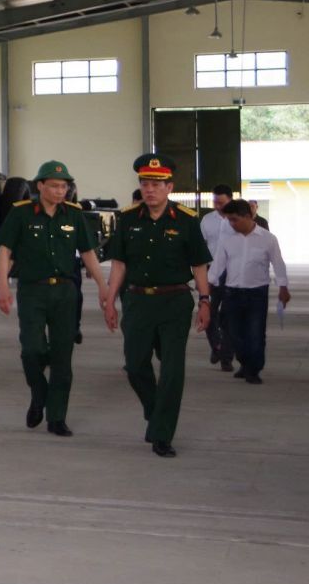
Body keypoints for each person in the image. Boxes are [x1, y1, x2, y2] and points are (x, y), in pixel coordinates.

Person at [100, 154, 213, 458]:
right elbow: (119, 264)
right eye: (145, 184)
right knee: (135, 365)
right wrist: (110, 301)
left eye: (156, 184)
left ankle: (162, 434)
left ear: (169, 187)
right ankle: (155, 411)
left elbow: (199, 265)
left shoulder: (187, 220)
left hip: (174, 302)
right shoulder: (127, 219)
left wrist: (205, 301)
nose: (150, 190)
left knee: (172, 370)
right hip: (137, 301)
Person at [0, 161, 109, 437]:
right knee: (31, 350)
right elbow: (5, 251)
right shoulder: (21, 213)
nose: (60, 191)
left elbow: (88, 253)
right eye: (55, 186)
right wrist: (3, 286)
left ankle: (57, 417)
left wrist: (103, 287)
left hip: (65, 292)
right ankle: (39, 393)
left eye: (64, 186)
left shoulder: (74, 215)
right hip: (32, 291)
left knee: (62, 357)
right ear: (40, 186)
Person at [209, 199, 290, 384]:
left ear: (247, 216)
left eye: (234, 219)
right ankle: (245, 363)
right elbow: (218, 265)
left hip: (257, 294)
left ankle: (253, 370)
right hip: (232, 294)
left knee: (255, 334)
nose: (231, 224)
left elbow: (278, 264)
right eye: (229, 220)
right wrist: (207, 285)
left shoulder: (268, 239)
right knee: (234, 334)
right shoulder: (227, 240)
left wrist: (283, 287)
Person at [200, 184, 236, 370]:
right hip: (211, 270)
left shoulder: (237, 219)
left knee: (229, 315)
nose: (218, 206)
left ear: (230, 200)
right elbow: (200, 247)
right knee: (208, 310)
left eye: (221, 202)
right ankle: (216, 345)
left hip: (233, 272)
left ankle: (226, 357)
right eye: (215, 202)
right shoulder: (207, 220)